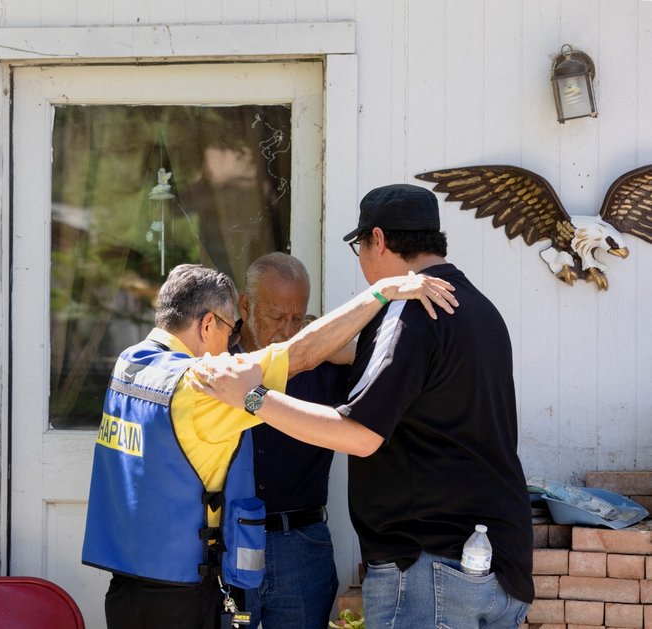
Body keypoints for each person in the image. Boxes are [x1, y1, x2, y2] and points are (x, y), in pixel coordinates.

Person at [191, 184, 534, 628]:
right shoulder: (478, 308)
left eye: (359, 246)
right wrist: (355, 352)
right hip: (495, 564)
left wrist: (252, 397)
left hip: (430, 568)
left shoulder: (411, 311)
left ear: (378, 239)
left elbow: (360, 435)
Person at [81, 262, 456, 629]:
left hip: (128, 586)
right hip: (182, 591)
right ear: (208, 323)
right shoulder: (200, 385)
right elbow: (300, 356)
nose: (229, 346)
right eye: (229, 331)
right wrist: (382, 291)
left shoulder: (131, 366)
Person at [232, 252, 348, 629]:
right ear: (246, 305)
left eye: (297, 318)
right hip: (228, 541)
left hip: (300, 543)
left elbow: (384, 356)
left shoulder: (323, 360)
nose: (286, 330)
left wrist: (327, 343)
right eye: (276, 317)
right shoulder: (218, 359)